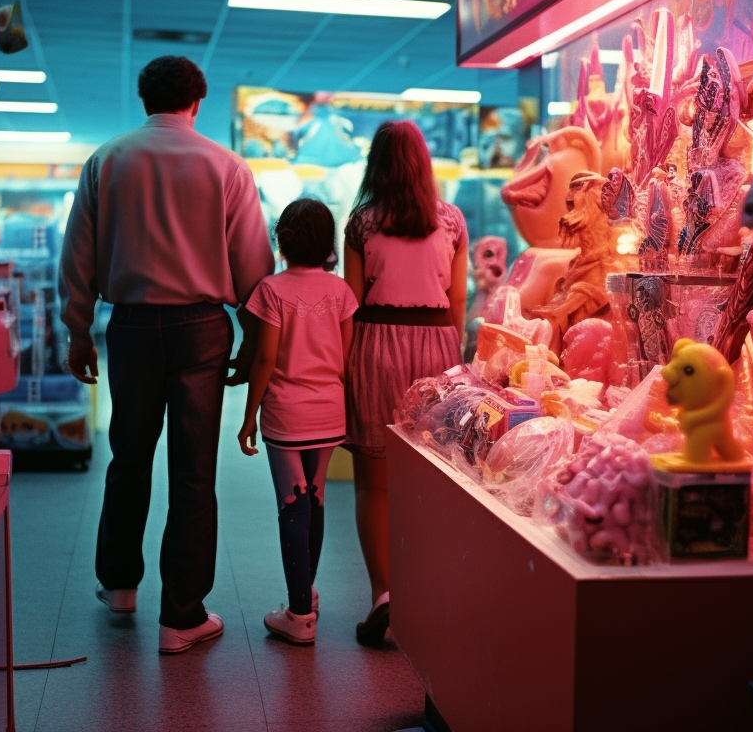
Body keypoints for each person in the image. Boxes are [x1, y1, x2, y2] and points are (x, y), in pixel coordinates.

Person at [59, 55, 274, 654]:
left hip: (128, 326)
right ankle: (182, 616)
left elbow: (77, 256)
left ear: (144, 98)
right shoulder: (227, 167)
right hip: (204, 328)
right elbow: (254, 265)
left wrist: (79, 329)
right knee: (193, 470)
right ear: (197, 102)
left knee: (128, 456)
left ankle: (121, 584)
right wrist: (255, 340)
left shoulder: (107, 161)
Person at [343, 121, 467, 644]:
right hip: (435, 345)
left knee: (375, 481)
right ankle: (427, 595)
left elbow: (349, 305)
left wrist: (343, 365)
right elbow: (458, 300)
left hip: (375, 343)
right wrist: (454, 361)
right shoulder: (451, 221)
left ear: (376, 164)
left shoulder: (362, 223)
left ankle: (384, 596)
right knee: (432, 477)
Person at [236, 198, 358, 645]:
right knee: (315, 498)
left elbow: (266, 357)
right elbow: (345, 358)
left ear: (281, 238)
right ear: (328, 243)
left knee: (292, 503)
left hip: (287, 414)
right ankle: (307, 593)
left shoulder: (271, 290)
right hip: (329, 410)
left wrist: (248, 415)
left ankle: (299, 612)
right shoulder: (341, 291)